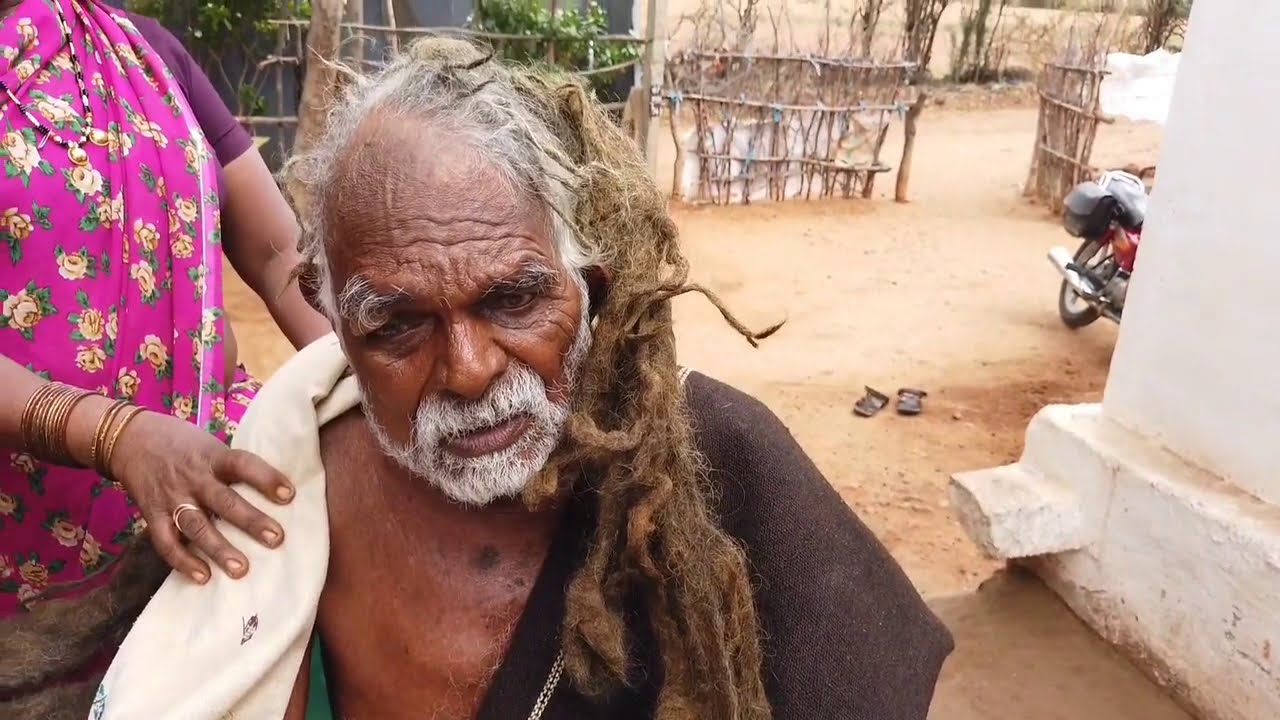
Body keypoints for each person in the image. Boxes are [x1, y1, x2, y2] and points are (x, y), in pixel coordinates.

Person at [1, 38, 952, 720]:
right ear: (339, 325)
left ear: (592, 286)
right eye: (398, 324)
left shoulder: (717, 465)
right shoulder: (291, 496)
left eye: (514, 300)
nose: (467, 371)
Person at [0, 0, 327, 620]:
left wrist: (364, 379)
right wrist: (118, 435)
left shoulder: (148, 55)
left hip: (199, 491)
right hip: (26, 561)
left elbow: (279, 253)